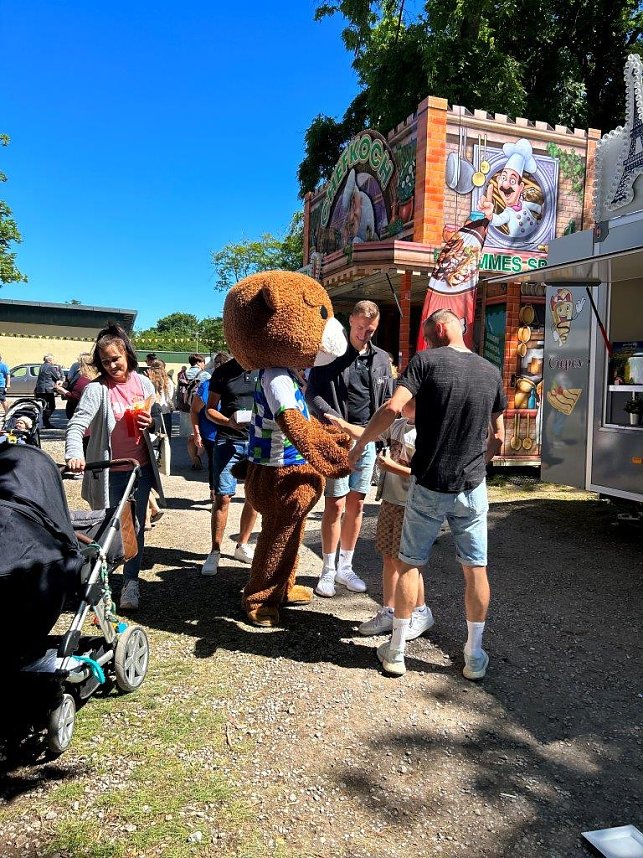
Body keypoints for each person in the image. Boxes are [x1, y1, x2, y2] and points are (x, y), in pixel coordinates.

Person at [348, 309, 506, 680]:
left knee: (409, 565)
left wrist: (360, 446)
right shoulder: (491, 371)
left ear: (440, 327)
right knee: (475, 569)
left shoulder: (425, 362)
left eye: (427, 332)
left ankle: (396, 651)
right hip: (472, 486)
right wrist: (479, 466)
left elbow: (392, 408)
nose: (427, 340)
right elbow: (498, 436)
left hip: (429, 483)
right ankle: (474, 655)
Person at [65, 323, 164, 612]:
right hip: (111, 472)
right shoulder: (97, 390)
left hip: (140, 469)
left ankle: (130, 583)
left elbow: (156, 422)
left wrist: (151, 423)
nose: (111, 366)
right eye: (105, 361)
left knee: (135, 527)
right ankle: (101, 585)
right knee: (108, 529)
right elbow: (76, 426)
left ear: (127, 355)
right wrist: (74, 454)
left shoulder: (143, 384)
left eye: (115, 359)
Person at [306, 299, 394, 597]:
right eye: (360, 328)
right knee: (336, 504)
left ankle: (346, 566)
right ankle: (328, 569)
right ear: (351, 322)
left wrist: (381, 437)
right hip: (338, 438)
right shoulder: (331, 355)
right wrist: (334, 420)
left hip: (367, 439)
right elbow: (312, 393)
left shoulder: (381, 359)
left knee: (357, 504)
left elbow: (387, 399)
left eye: (370, 330)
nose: (364, 334)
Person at [330, 400, 433, 639]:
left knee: (406, 562)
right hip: (390, 501)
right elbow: (368, 433)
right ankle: (389, 610)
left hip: (411, 506)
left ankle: (420, 611)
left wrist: (391, 467)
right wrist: (343, 425)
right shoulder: (397, 425)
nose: (402, 403)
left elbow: (425, 474)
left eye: (409, 400)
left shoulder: (429, 432)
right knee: (388, 556)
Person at [200, 356, 259, 576]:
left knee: (254, 497)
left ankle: (242, 545)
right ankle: (215, 551)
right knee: (223, 497)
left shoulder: (263, 369)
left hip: (257, 442)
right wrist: (228, 422)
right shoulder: (223, 371)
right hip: (227, 440)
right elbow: (209, 409)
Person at [178, 354, 210, 469]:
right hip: (200, 409)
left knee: (190, 438)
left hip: (185, 408)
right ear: (199, 362)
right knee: (202, 436)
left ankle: (193, 460)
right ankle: (198, 457)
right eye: (203, 362)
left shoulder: (182, 374)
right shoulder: (205, 375)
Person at [60, 353, 96, 419]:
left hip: (78, 411)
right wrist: (65, 384)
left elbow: (75, 397)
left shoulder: (83, 377)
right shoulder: (94, 375)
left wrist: (63, 391)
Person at [147, 359, 175, 437]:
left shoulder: (148, 381)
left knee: (152, 438)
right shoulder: (168, 381)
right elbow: (171, 396)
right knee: (165, 439)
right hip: (165, 412)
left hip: (151, 413)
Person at [35, 354, 64, 429]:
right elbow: (56, 376)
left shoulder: (42, 366)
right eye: (53, 360)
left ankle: (44, 421)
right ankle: (45, 420)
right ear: (50, 360)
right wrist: (59, 372)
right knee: (51, 406)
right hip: (48, 389)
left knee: (44, 405)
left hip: (40, 389)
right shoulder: (50, 367)